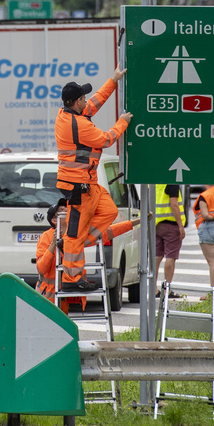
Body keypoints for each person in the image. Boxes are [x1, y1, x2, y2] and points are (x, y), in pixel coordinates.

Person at [54, 69, 132, 291]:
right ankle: (72, 279)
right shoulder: (79, 125)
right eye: (83, 98)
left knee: (109, 211)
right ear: (76, 101)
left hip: (88, 184)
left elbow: (96, 102)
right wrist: (122, 122)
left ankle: (73, 241)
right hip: (78, 186)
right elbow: (107, 139)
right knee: (75, 233)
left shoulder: (69, 115)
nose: (86, 100)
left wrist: (113, 80)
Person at [35, 199, 138, 315]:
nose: (67, 211)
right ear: (54, 220)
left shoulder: (76, 235)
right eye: (61, 210)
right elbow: (41, 268)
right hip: (47, 300)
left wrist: (134, 222)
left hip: (66, 297)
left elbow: (107, 232)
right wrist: (53, 244)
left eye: (67, 208)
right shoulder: (46, 237)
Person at [154, 183, 185, 298]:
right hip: (171, 225)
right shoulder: (171, 182)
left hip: (156, 224)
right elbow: (174, 204)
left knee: (157, 257)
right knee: (170, 257)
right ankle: (167, 288)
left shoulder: (155, 183)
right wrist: (181, 226)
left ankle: (154, 289)